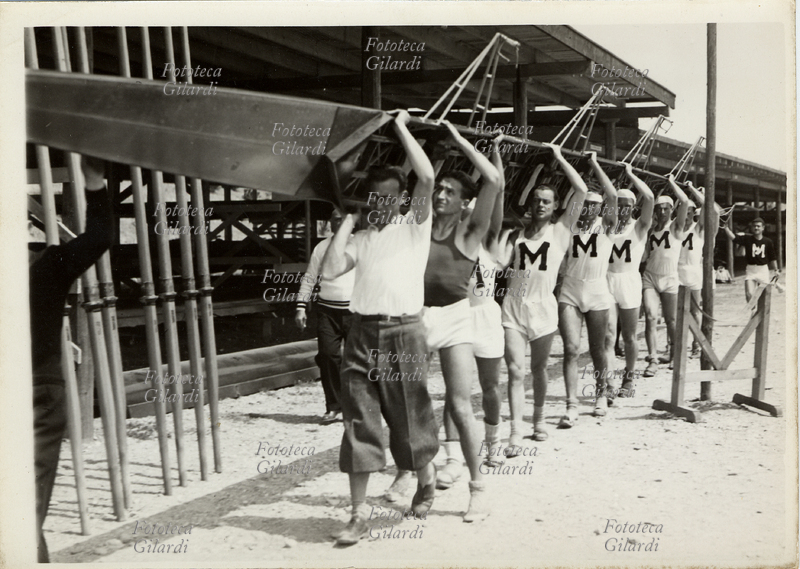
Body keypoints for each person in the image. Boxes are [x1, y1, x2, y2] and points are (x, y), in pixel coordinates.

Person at [320, 110, 438, 546]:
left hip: (405, 332)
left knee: (409, 421)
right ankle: (356, 515)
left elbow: (426, 176)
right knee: (359, 423)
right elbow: (332, 270)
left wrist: (401, 127)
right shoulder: (362, 237)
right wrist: (350, 217)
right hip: (362, 333)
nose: (383, 205)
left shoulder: (414, 227)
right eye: (376, 198)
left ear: (402, 198)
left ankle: (425, 480)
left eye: (391, 197)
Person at [30, 156, 114, 562]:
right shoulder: (44, 267)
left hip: (29, 394)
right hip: (40, 394)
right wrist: (94, 182)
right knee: (26, 509)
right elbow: (100, 235)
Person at [419, 124, 500, 522]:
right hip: (417, 315)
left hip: (454, 317)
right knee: (409, 402)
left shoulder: (471, 231)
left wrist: (462, 141)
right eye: (439, 190)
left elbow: (494, 179)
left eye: (450, 192)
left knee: (460, 404)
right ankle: (417, 476)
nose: (440, 195)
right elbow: (420, 176)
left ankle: (478, 488)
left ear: (466, 202)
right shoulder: (420, 225)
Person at [501, 144, 588, 448]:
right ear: (530, 202)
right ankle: (514, 429)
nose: (540, 205)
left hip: (543, 307)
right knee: (514, 369)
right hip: (513, 305)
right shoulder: (516, 234)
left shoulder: (561, 231)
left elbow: (581, 188)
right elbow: (498, 263)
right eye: (537, 200)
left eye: (547, 201)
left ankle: (538, 420)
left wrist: (560, 156)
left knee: (538, 368)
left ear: (555, 206)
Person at [557, 153, 617, 422]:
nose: (588, 209)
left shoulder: (606, 228)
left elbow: (613, 195)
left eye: (594, 205)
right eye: (584, 204)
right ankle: (571, 405)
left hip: (597, 291)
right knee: (570, 349)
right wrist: (559, 158)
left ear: (600, 208)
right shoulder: (569, 228)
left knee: (597, 348)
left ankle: (601, 395)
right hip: (570, 290)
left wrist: (594, 164)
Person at [295, 209, 355, 424]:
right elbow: (310, 277)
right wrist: (300, 307)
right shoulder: (321, 247)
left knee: (356, 361)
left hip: (355, 311)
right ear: (330, 223)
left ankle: (357, 408)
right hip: (327, 311)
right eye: (335, 219)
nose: (339, 223)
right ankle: (334, 406)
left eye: (343, 219)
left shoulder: (359, 244)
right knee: (328, 356)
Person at [605, 163, 654, 397]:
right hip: (607, 279)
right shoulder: (608, 226)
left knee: (629, 336)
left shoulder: (640, 226)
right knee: (608, 335)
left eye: (628, 206)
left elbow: (650, 197)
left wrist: (631, 175)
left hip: (629, 281)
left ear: (634, 207)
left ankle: (629, 377)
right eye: (619, 205)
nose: (623, 210)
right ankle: (607, 382)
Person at [641, 175, 690, 377]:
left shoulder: (676, 228)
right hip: (651, 277)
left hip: (670, 278)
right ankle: (652, 359)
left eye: (666, 208)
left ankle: (674, 354)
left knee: (671, 320)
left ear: (672, 210)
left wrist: (671, 183)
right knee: (651, 317)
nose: (662, 212)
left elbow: (685, 201)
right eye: (659, 208)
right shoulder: (651, 230)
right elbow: (645, 255)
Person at [679, 182, 719, 355]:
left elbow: (714, 210)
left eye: (690, 212)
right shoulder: (675, 228)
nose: (687, 216)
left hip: (694, 271)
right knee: (675, 314)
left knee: (696, 311)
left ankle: (697, 344)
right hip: (676, 272)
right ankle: (673, 346)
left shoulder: (699, 229)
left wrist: (693, 190)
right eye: (684, 212)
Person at [722, 217, 779, 302]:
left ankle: (761, 314)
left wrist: (776, 270)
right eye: (754, 226)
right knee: (749, 294)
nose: (756, 228)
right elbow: (734, 238)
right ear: (752, 228)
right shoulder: (747, 239)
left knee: (764, 297)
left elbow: (772, 257)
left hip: (763, 269)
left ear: (763, 228)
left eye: (758, 226)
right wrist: (726, 228)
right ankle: (753, 313)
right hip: (751, 270)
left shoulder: (768, 241)